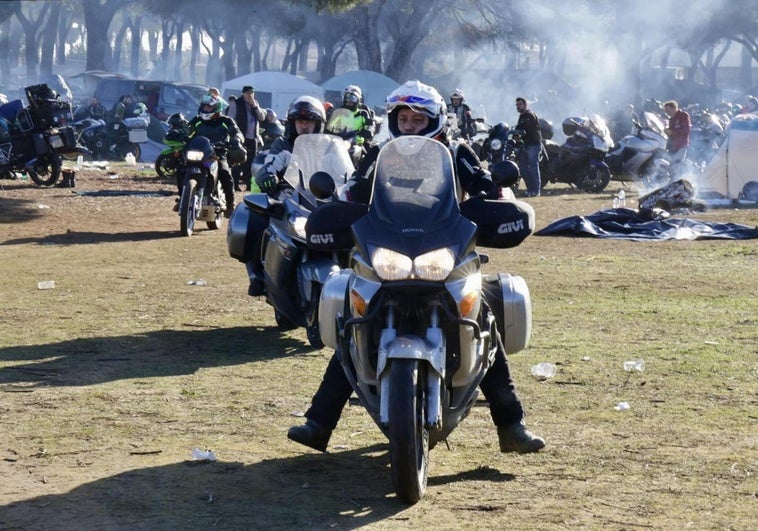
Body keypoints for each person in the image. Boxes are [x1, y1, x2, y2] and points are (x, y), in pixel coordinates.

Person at [287, 79, 545, 455]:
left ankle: (511, 423)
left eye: (417, 119)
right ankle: (319, 422)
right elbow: (356, 192)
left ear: (435, 119)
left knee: (484, 320)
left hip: (445, 250)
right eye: (403, 118)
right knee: (353, 324)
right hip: (389, 250)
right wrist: (336, 209)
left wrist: (496, 199)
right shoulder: (379, 155)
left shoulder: (457, 151)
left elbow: (485, 187)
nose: (408, 125)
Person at [245, 95, 328, 296]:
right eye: (300, 121)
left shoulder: (328, 146)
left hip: (320, 201)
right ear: (293, 124)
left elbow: (346, 171)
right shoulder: (283, 146)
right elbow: (269, 165)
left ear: (318, 124)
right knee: (258, 219)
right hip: (289, 198)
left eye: (309, 121)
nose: (305, 126)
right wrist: (267, 176)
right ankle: (257, 274)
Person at [175, 94, 243, 218]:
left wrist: (236, 139)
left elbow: (236, 132)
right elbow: (187, 130)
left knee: (224, 173)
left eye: (208, 108)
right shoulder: (197, 120)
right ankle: (182, 197)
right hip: (198, 152)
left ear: (216, 109)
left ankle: (230, 205)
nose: (205, 109)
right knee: (181, 169)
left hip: (217, 154)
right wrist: (178, 133)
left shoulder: (226, 121)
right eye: (204, 107)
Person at [228, 85, 265, 191]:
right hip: (240, 137)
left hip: (253, 137)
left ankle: (249, 184)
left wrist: (255, 107)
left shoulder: (255, 103)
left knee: (251, 162)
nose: (250, 95)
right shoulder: (236, 103)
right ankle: (235, 184)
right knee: (238, 160)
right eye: (248, 93)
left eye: (252, 93)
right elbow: (230, 119)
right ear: (243, 93)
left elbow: (262, 117)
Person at [515, 96, 542, 197]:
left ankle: (536, 191)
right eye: (517, 105)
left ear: (525, 105)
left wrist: (519, 133)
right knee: (523, 168)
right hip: (526, 145)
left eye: (520, 104)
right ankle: (530, 189)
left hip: (533, 145)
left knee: (533, 167)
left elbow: (528, 129)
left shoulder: (529, 115)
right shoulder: (522, 116)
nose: (518, 107)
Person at [663, 100, 691, 166]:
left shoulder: (683, 115)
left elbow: (686, 129)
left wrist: (673, 132)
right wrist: (667, 131)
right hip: (672, 145)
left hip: (681, 145)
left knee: (676, 165)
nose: (668, 113)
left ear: (674, 108)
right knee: (669, 164)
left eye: (669, 111)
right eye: (666, 112)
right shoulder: (671, 119)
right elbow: (671, 131)